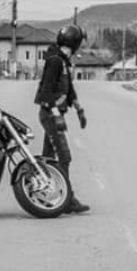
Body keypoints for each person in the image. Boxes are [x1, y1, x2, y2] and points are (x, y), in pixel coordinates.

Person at [35, 24, 90, 215]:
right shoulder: (55, 61)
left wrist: (79, 109)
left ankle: (44, 193)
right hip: (50, 114)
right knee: (64, 156)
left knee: (48, 158)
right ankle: (67, 200)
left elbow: (69, 89)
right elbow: (46, 91)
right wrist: (57, 115)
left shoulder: (63, 61)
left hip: (54, 114)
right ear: (75, 43)